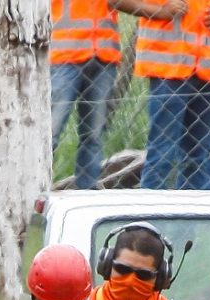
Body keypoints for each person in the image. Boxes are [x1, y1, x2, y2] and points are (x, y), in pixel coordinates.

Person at [135, 0, 210, 190]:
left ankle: (188, 212)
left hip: (207, 69)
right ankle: (149, 210)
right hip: (169, 69)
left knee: (198, 155)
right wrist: (160, 11)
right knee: (162, 151)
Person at [50, 0, 142, 189]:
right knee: (50, 131)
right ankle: (37, 187)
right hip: (65, 54)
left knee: (93, 133)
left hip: (103, 56)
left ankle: (88, 189)